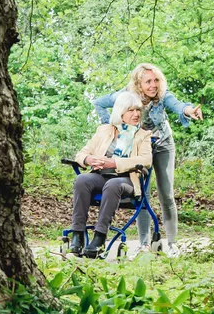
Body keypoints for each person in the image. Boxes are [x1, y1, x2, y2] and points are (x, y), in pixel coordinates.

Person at [91, 63, 202, 256]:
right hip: (140, 147)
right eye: (148, 81)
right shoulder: (124, 97)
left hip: (163, 145)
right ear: (138, 83)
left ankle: (172, 244)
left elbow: (177, 105)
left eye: (156, 80)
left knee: (166, 194)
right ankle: (144, 244)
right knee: (142, 194)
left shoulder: (162, 96)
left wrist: (189, 110)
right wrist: (110, 126)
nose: (153, 85)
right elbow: (99, 103)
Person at [69, 91, 153, 258]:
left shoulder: (143, 135)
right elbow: (81, 154)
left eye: (138, 110)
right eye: (131, 110)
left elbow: (146, 160)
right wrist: (90, 159)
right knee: (82, 179)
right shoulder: (104, 130)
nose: (136, 114)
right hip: (101, 175)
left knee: (113, 184)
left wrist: (114, 163)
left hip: (126, 179)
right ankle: (77, 234)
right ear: (120, 112)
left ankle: (100, 237)